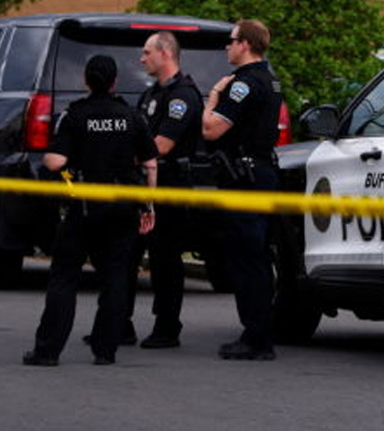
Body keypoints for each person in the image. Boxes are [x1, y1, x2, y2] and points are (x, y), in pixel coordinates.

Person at [23, 55, 157, 367]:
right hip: (123, 208)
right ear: (114, 83)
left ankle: (47, 351)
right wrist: (147, 205)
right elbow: (150, 164)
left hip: (83, 208)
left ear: (86, 80)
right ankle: (105, 350)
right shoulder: (131, 116)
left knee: (64, 277)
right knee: (115, 277)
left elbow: (54, 162)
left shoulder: (76, 115)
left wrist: (68, 171)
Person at [202, 19, 282, 361]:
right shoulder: (271, 78)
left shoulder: (242, 85)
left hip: (244, 179)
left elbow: (211, 130)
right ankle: (257, 332)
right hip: (261, 173)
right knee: (257, 258)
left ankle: (256, 337)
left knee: (246, 259)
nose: (227, 46)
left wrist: (213, 97)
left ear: (245, 44)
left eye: (231, 40)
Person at [132, 31, 205, 349]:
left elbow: (161, 145)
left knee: (165, 257)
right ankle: (118, 322)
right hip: (144, 183)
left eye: (147, 52)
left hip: (171, 184)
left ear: (165, 53)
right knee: (131, 253)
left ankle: (167, 326)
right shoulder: (151, 96)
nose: (142, 57)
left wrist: (120, 155)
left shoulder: (183, 96)